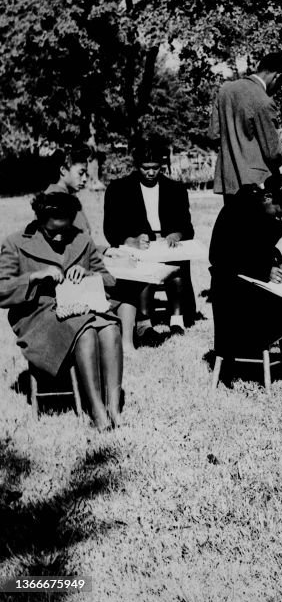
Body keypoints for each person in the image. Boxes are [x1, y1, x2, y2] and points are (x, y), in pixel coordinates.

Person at [0, 192, 122, 430]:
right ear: (39, 220)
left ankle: (115, 410)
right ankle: (98, 413)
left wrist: (88, 274)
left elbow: (110, 281)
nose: (58, 236)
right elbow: (2, 289)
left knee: (110, 328)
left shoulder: (82, 240)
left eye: (64, 231)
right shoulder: (15, 243)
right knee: (85, 331)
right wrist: (34, 276)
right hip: (37, 316)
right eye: (51, 231)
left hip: (81, 305)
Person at [208, 174, 282, 398]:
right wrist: (262, 270)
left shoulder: (264, 209)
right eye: (279, 211)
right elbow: (220, 256)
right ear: (268, 197)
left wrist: (280, 261)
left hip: (256, 292)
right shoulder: (235, 211)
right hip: (234, 300)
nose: (279, 218)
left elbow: (262, 247)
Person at [46, 146, 141, 345]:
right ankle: (126, 345)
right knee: (129, 284)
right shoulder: (55, 202)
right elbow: (55, 250)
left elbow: (83, 242)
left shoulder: (68, 199)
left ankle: (124, 341)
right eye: (80, 173)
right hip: (73, 278)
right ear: (63, 170)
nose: (84, 179)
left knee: (128, 277)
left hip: (84, 268)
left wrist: (108, 251)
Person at [103, 140, 196, 336]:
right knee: (143, 267)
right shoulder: (119, 189)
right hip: (138, 246)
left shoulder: (175, 189)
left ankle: (177, 319)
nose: (151, 173)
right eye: (146, 168)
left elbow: (187, 227)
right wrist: (130, 240)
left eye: (156, 168)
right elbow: (110, 229)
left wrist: (176, 234)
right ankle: (144, 322)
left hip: (166, 245)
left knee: (176, 264)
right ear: (137, 166)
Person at [209, 51, 282, 202]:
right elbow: (273, 154)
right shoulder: (263, 100)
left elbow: (214, 135)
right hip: (258, 185)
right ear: (277, 76)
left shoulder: (225, 90)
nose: (278, 88)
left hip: (230, 181)